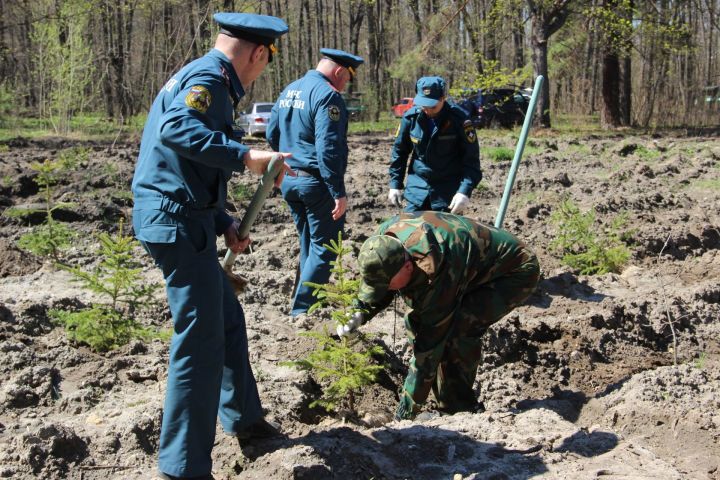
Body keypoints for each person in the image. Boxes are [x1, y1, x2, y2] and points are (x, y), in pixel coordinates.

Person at [131, 13, 293, 480]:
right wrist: (246, 155)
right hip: (176, 224)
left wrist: (224, 220)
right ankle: (182, 467)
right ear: (259, 53)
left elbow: (186, 167)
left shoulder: (207, 76)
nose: (261, 70)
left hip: (192, 219)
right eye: (265, 63)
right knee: (199, 343)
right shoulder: (208, 79)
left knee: (225, 319)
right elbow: (176, 132)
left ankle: (246, 422)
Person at [338, 211, 539, 421]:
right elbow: (379, 281)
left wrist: (404, 415)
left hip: (514, 271)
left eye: (388, 284)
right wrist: (359, 311)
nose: (386, 289)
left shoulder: (437, 269)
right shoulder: (382, 243)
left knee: (459, 329)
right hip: (469, 266)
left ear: (408, 266)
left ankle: (459, 408)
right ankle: (440, 399)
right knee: (416, 323)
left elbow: (429, 349)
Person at [267, 48, 364, 318]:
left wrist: (282, 166)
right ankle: (302, 312)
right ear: (339, 72)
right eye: (347, 78)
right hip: (316, 182)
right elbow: (328, 147)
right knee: (324, 249)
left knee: (309, 243)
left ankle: (306, 301)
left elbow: (271, 132)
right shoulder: (328, 96)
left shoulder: (290, 90)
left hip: (289, 180)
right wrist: (337, 191)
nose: (345, 85)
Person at [388, 76, 482, 214]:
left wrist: (464, 191)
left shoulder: (459, 120)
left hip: (447, 194)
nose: (428, 110)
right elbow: (400, 152)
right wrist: (395, 184)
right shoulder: (410, 118)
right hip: (417, 191)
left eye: (432, 106)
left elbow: (471, 160)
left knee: (445, 234)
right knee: (411, 232)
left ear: (443, 98)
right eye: (423, 105)